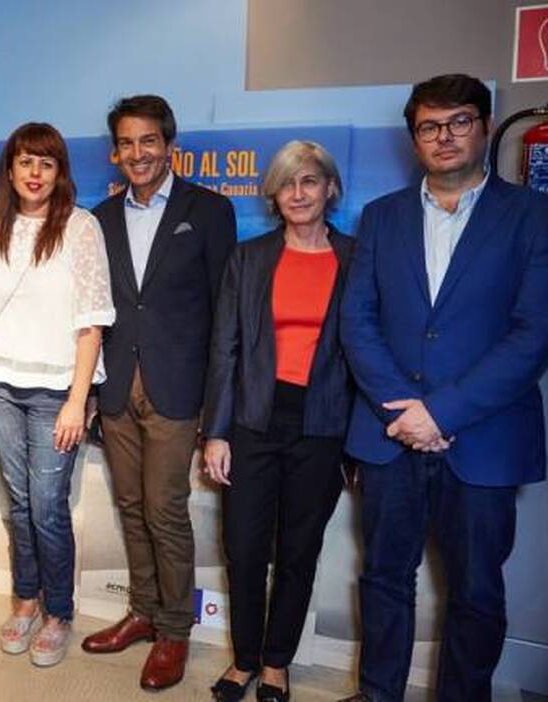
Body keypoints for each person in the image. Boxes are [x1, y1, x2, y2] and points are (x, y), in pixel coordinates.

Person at [338, 74, 548, 702]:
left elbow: (535, 333)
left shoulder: (536, 217)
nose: (444, 136)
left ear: (485, 126)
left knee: (475, 590)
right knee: (384, 577)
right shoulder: (381, 217)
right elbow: (358, 321)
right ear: (414, 138)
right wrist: (405, 412)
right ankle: (378, 693)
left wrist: (439, 414)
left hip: (483, 437)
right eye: (429, 127)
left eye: (459, 121)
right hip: (390, 435)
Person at [81, 94, 236, 692]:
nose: (138, 153)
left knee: (165, 510)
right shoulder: (100, 218)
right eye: (126, 143)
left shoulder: (210, 210)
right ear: (115, 153)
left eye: (148, 140)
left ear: (170, 146)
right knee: (129, 505)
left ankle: (174, 630)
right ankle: (143, 612)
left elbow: (225, 313)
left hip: (178, 386)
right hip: (118, 385)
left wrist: (216, 406)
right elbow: (97, 306)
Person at [0, 123, 114, 667]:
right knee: (20, 502)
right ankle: (25, 600)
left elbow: (92, 323)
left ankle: (58, 612)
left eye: (46, 163)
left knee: (47, 507)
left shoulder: (81, 227)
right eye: (25, 162)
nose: (35, 173)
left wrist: (77, 400)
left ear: (59, 171)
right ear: (11, 169)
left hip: (54, 392)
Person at [201, 141, 354, 702]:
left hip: (323, 426)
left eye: (309, 181)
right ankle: (243, 659)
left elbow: (367, 351)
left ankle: (275, 664)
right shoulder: (249, 258)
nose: (298, 193)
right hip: (253, 422)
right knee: (244, 549)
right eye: (287, 183)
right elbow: (225, 349)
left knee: (297, 552)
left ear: (330, 188)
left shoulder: (356, 258)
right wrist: (216, 432)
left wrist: (360, 445)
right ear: (273, 195)